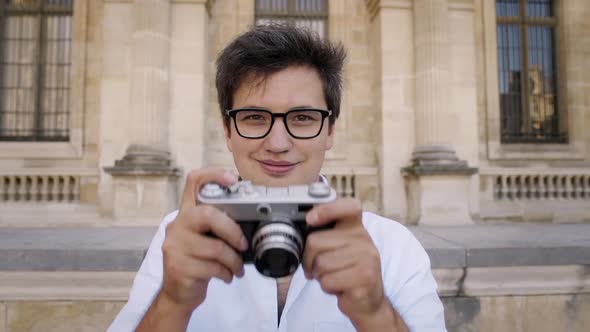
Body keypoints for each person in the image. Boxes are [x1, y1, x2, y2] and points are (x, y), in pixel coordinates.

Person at [108, 24, 446, 332]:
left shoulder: (393, 248)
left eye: (301, 117)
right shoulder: (181, 236)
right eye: (255, 117)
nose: (278, 143)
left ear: (329, 131)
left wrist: (375, 314)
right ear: (228, 131)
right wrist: (172, 302)